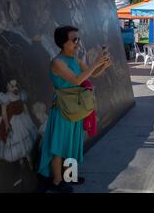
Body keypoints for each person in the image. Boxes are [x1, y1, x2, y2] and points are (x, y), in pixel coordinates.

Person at [38, 26, 111, 193]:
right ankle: (57, 181)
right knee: (59, 145)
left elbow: (92, 74)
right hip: (63, 108)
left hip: (76, 107)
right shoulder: (57, 62)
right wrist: (96, 64)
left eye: (78, 39)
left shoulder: (76, 60)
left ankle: (69, 176)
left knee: (72, 143)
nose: (78, 43)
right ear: (63, 43)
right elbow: (77, 80)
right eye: (74, 40)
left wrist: (103, 65)